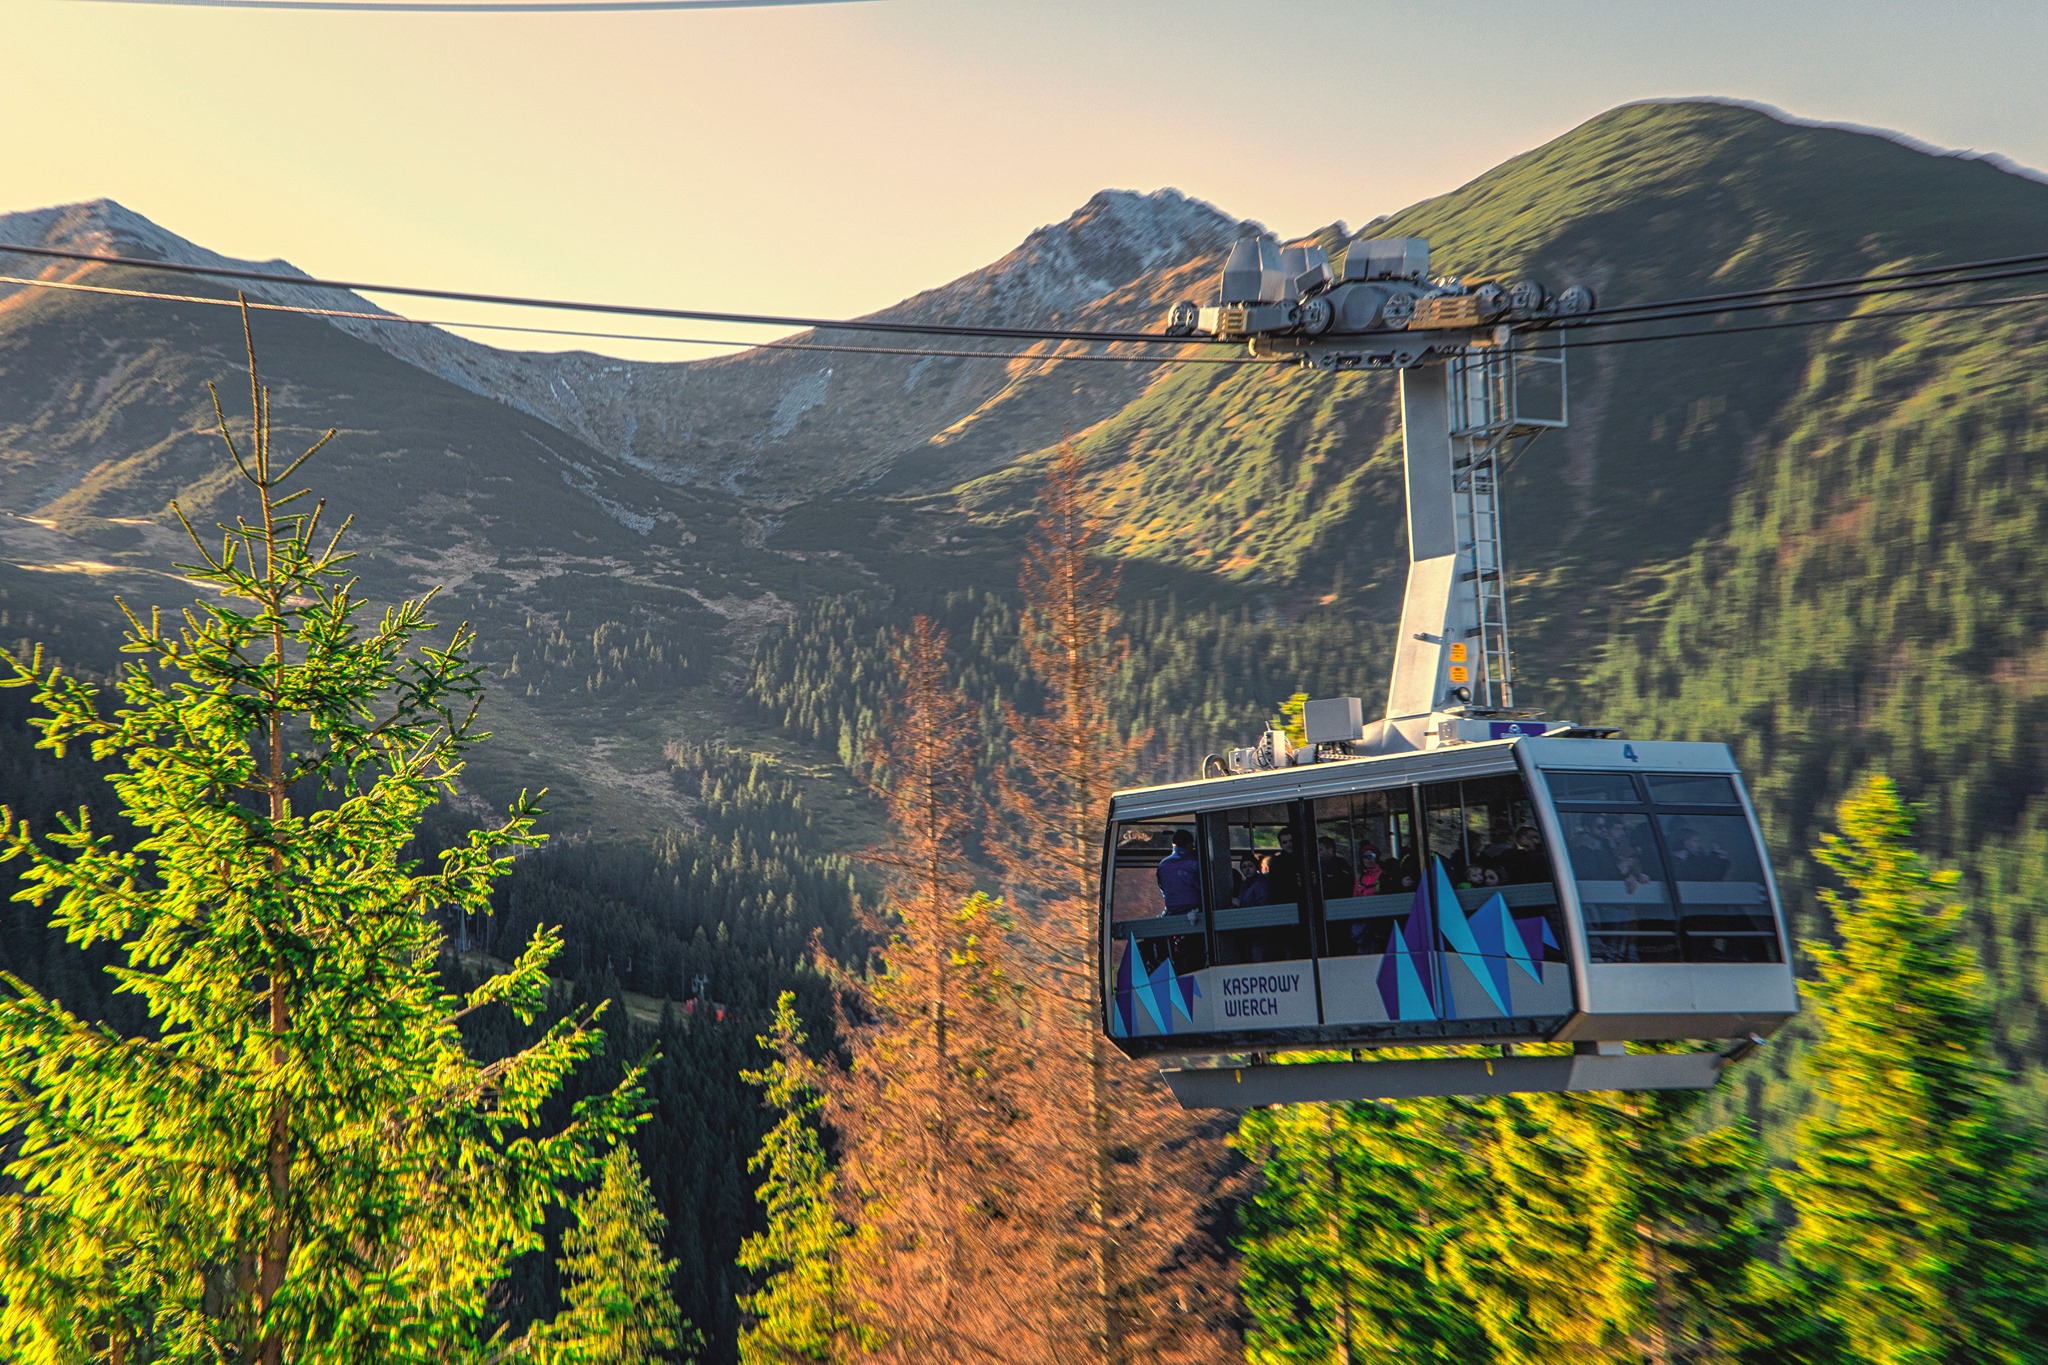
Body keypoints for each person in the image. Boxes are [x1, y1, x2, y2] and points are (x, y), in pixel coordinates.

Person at [1154, 828, 1202, 915]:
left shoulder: (1163, 865)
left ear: (1173, 845)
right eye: (1192, 846)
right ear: (1189, 845)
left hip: (1172, 909)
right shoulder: (1195, 863)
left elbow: (1163, 887)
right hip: (1195, 908)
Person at [1317, 835, 1354, 900]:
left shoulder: (1340, 864)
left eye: (1321, 849)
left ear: (1330, 849)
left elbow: (1346, 885)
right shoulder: (1317, 865)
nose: (1318, 853)